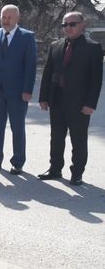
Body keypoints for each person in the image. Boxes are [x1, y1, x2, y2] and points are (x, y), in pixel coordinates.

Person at [38, 12, 103, 185]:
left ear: (83, 24)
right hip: (57, 100)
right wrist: (44, 97)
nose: (68, 27)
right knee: (56, 137)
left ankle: (77, 173)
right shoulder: (55, 45)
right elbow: (47, 73)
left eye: (72, 24)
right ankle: (55, 169)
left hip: (80, 104)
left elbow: (96, 80)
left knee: (78, 139)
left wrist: (90, 104)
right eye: (64, 25)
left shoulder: (93, 47)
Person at [0, 4, 37, 174]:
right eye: (4, 17)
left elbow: (30, 66)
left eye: (10, 17)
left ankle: (18, 162)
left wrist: (28, 90)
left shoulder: (27, 37)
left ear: (17, 18)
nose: (6, 20)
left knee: (17, 127)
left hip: (18, 92)